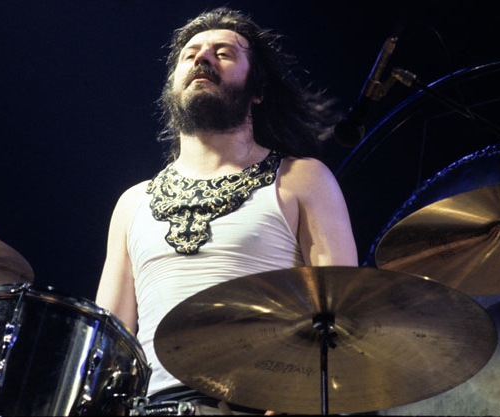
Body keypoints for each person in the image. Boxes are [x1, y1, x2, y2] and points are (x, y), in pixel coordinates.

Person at [96, 6, 358, 415]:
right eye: (190, 54)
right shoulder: (133, 203)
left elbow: (341, 315)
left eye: (223, 53)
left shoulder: (301, 179)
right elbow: (107, 344)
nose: (202, 57)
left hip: (260, 401)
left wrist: (300, 399)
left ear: (257, 90)